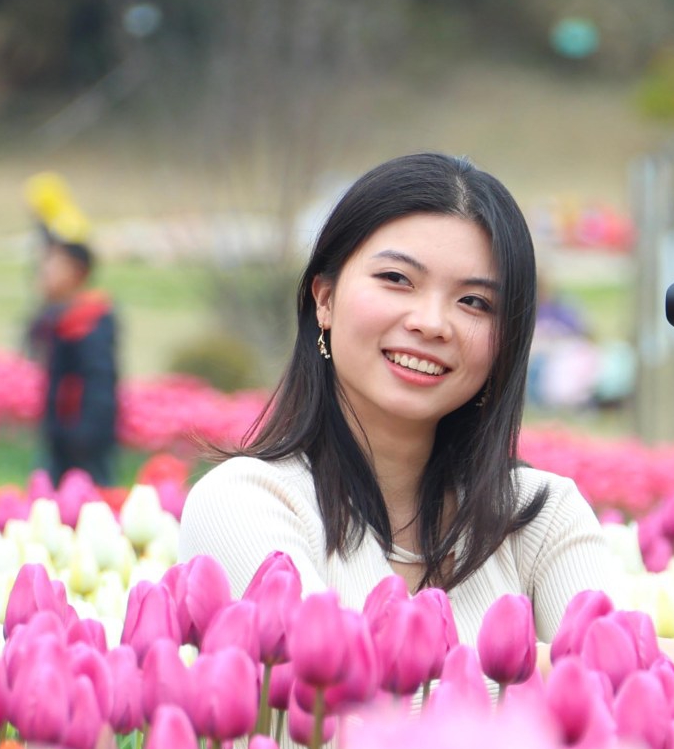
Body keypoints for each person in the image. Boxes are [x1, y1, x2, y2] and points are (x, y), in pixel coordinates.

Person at [178, 152, 621, 649]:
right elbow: (328, 687)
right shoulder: (246, 503)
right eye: (396, 279)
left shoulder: (543, 519)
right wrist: (546, 668)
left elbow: (620, 682)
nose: (431, 323)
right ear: (324, 299)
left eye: (474, 302)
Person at [27, 237, 121, 487]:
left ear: (77, 272)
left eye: (54, 264)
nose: (45, 271)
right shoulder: (57, 315)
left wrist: (85, 434)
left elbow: (99, 381)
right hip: (60, 431)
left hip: (83, 435)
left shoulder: (90, 319)